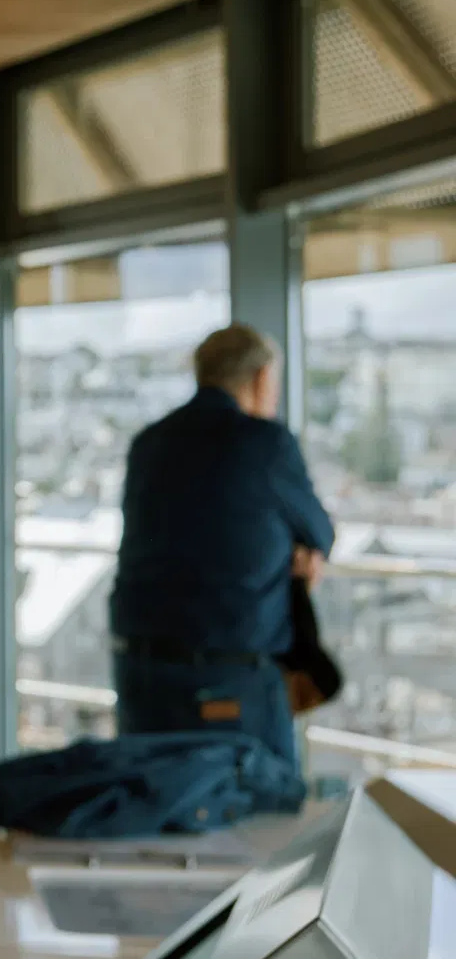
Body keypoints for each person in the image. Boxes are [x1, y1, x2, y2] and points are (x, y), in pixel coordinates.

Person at [109, 323, 334, 765]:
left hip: (140, 668)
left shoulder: (148, 443)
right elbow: (319, 534)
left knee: (152, 805)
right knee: (262, 818)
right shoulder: (264, 442)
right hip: (227, 672)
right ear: (262, 378)